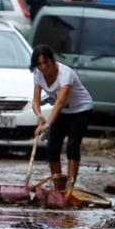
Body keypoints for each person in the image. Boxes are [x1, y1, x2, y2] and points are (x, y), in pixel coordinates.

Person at [30, 44, 94, 193]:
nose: (43, 67)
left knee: (72, 144)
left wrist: (47, 124)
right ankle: (58, 187)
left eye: (46, 63)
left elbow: (59, 102)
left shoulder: (65, 74)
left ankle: (70, 187)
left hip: (80, 110)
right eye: (39, 64)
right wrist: (40, 117)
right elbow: (35, 101)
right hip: (63, 113)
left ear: (52, 61)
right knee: (52, 146)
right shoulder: (38, 75)